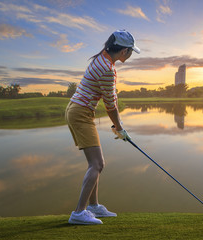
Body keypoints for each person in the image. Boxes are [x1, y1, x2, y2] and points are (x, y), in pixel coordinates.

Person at [65, 30, 140, 225]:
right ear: (124, 51)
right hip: (81, 113)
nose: (130, 55)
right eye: (130, 52)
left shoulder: (101, 58)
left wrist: (117, 126)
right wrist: (119, 127)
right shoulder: (107, 68)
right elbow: (110, 104)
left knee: (96, 164)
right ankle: (79, 213)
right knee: (97, 164)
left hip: (78, 110)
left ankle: (93, 207)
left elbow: (108, 100)